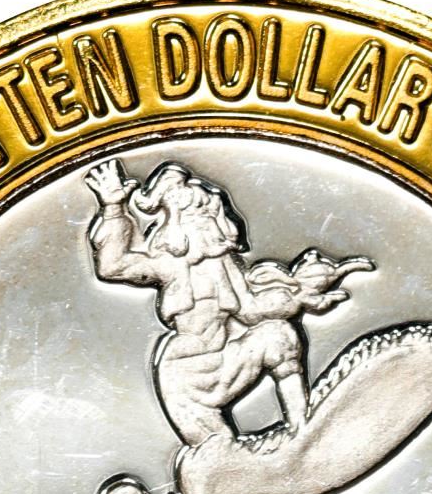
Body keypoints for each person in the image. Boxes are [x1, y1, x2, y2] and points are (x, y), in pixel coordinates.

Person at [85, 158, 371, 447]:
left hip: (226, 360)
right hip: (185, 375)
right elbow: (113, 266)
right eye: (196, 212)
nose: (207, 219)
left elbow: (251, 310)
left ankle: (302, 428)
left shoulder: (224, 265)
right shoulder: (167, 263)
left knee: (279, 335)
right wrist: (113, 208)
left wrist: (299, 295)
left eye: (208, 211)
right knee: (218, 452)